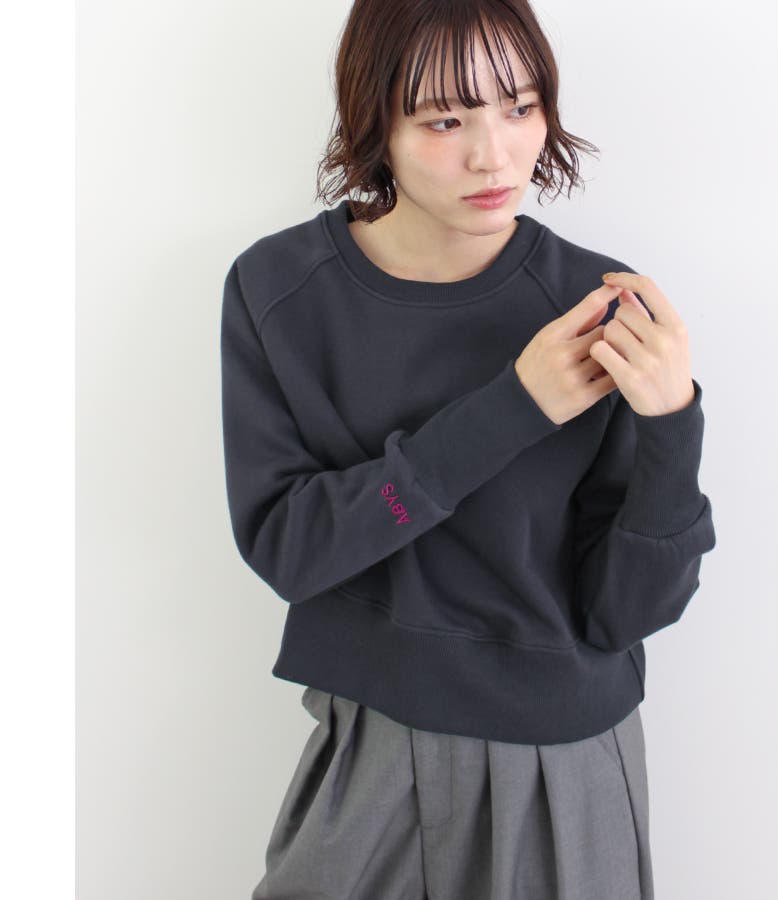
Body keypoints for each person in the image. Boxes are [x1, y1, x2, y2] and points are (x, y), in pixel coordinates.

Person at [220, 1, 716, 898]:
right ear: (375, 122)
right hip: (369, 747)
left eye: (520, 107)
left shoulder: (595, 307)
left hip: (565, 760)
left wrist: (673, 423)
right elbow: (290, 550)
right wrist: (513, 408)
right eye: (444, 121)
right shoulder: (282, 290)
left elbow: (624, 612)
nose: (494, 156)